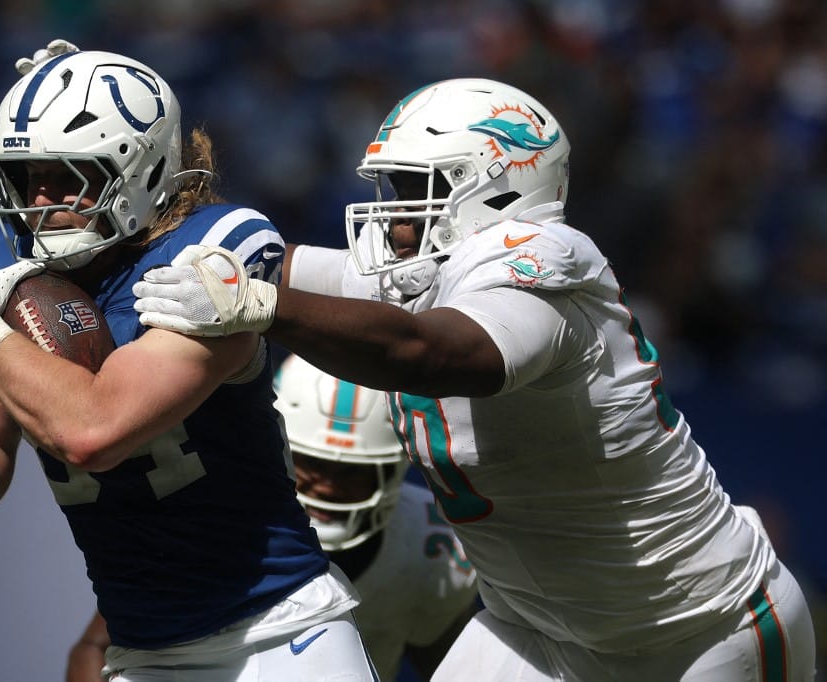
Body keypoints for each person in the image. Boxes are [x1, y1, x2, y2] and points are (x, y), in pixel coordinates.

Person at [131, 78, 819, 680]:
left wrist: (261, 307)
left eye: (413, 190)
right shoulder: (430, 275)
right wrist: (156, 230)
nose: (394, 215)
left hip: (699, 631)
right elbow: (274, 264)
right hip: (539, 632)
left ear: (495, 190)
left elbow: (436, 355)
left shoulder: (548, 263)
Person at [0, 40, 378, 682]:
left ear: (143, 169)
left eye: (67, 175)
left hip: (280, 637)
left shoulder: (203, 266)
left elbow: (94, 433)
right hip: (140, 653)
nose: (39, 199)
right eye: (24, 177)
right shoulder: (7, 276)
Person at [66, 354, 480, 682]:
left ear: (391, 471)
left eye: (351, 472)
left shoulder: (428, 549)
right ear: (279, 451)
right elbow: (96, 647)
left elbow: (448, 668)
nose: (326, 488)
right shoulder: (220, 523)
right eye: (311, 465)